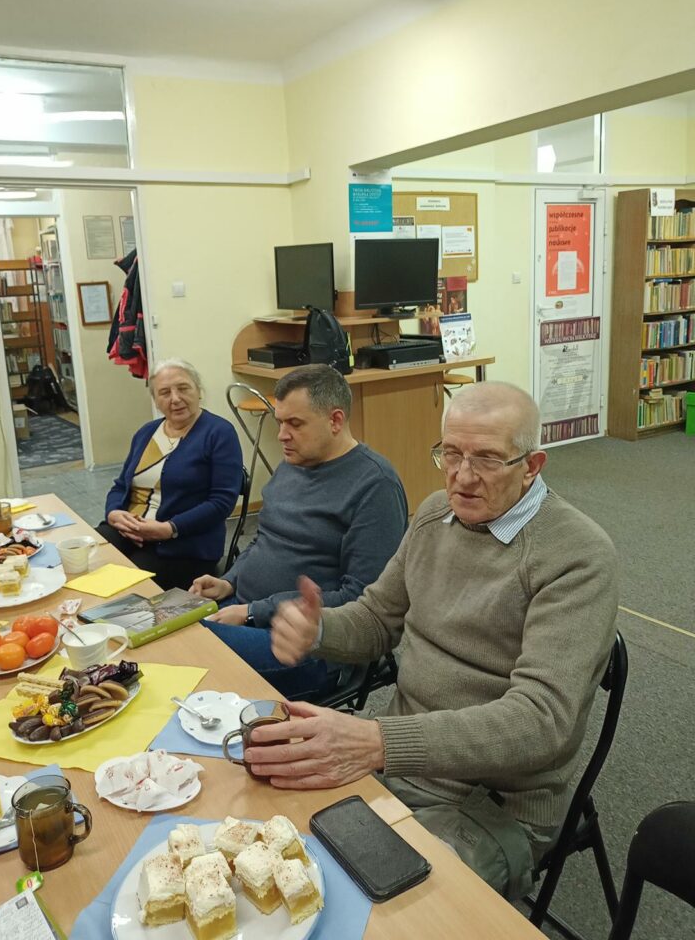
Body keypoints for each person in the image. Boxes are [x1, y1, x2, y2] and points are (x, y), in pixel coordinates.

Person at [246, 382, 619, 900]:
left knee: (384, 908)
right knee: (263, 828)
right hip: (392, 758)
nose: (462, 477)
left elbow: (542, 722)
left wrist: (378, 741)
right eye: (451, 453)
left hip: (491, 801)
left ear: (532, 466)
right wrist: (321, 630)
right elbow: (378, 617)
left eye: (487, 459)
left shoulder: (576, 557)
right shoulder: (434, 514)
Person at [191, 364, 408, 699]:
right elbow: (265, 539)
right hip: (244, 609)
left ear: (335, 421)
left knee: (190, 646)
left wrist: (252, 613)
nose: (282, 435)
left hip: (309, 643)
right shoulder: (294, 462)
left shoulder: (375, 486)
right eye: (280, 422)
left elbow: (364, 601)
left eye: (295, 423)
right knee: (157, 623)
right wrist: (229, 580)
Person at [97, 358, 242, 590]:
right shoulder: (146, 433)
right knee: (89, 561)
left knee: (130, 585)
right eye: (164, 392)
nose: (175, 399)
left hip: (184, 545)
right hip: (130, 531)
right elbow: (120, 485)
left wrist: (169, 529)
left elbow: (221, 502)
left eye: (183, 388)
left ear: (199, 391)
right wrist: (114, 512)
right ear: (155, 400)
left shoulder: (219, 433)